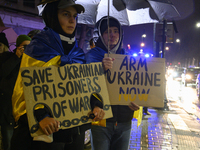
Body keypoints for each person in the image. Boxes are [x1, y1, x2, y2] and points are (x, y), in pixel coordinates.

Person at [11, 1, 104, 150]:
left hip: (74, 133)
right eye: (65, 14)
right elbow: (24, 91)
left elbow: (85, 87)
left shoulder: (78, 54)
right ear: (53, 16)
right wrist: (41, 116)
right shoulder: (37, 48)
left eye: (74, 16)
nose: (72, 20)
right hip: (47, 134)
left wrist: (96, 105)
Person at [86, 16, 140, 150]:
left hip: (124, 120)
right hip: (102, 120)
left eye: (116, 31)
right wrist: (100, 68)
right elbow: (86, 83)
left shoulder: (127, 57)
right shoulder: (92, 56)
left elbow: (135, 86)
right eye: (107, 31)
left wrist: (137, 101)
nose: (112, 35)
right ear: (100, 35)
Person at [0, 34, 31, 150]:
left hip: (23, 112)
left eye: (29, 47)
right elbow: (4, 72)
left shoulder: (30, 62)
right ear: (18, 47)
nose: (27, 50)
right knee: (8, 143)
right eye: (24, 47)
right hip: (8, 111)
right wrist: (16, 57)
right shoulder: (8, 58)